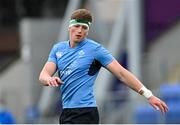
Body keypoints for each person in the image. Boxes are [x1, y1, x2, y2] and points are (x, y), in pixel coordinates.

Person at [39, 9, 168, 124]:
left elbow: (122, 74)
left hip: (85, 112)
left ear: (88, 30)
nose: (80, 31)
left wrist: (148, 95)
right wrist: (49, 79)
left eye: (84, 28)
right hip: (66, 112)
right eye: (77, 26)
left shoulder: (95, 49)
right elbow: (43, 75)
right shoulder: (58, 49)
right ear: (69, 27)